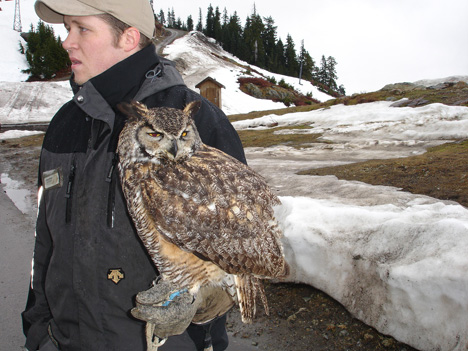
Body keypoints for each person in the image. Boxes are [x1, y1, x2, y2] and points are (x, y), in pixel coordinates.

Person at [21, 0, 246, 350]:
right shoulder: (63, 126)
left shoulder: (197, 127)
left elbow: (237, 256)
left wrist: (198, 310)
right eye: (67, 29)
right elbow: (44, 245)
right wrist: (38, 332)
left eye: (82, 28)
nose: (67, 41)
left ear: (127, 37)